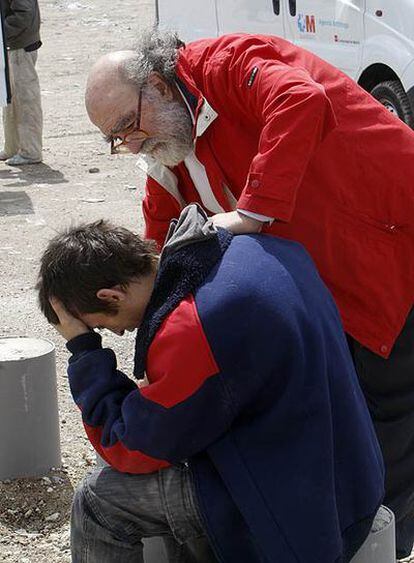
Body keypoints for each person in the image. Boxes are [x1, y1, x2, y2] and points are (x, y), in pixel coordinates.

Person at [84, 29, 414, 557]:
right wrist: (152, 327)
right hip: (328, 277)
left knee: (387, 409)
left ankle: (385, 544)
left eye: (127, 127)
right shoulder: (170, 144)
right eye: (115, 139)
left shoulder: (229, 64)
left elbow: (301, 98)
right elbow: (159, 239)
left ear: (158, 86)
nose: (128, 145)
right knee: (344, 409)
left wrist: (253, 209)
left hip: (388, 242)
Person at [37, 204, 384, 563]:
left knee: (100, 500)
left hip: (305, 511)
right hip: (352, 472)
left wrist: (83, 350)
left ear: (111, 296)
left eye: (100, 326)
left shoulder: (194, 326)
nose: (119, 332)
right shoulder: (245, 248)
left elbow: (129, 447)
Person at [0, 0, 43, 166]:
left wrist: (2, 33)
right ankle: (13, 147)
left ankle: (31, 152)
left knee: (26, 100)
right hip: (12, 45)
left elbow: (23, 14)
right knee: (10, 99)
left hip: (21, 46)